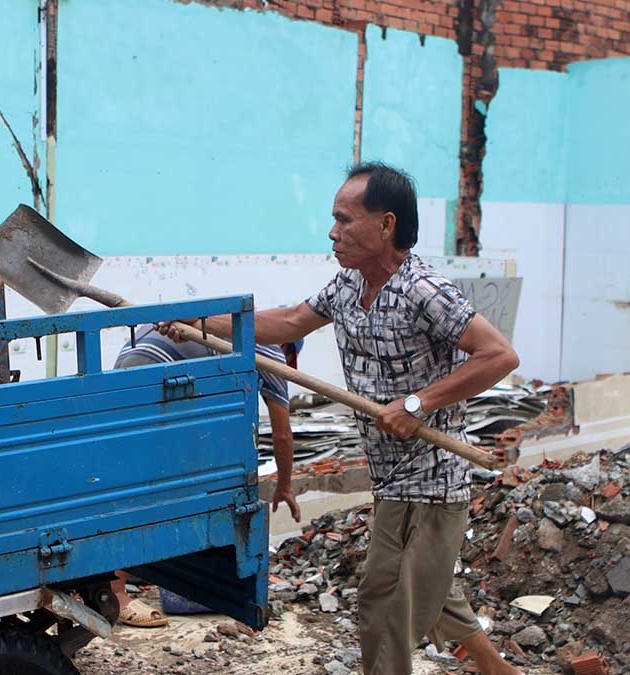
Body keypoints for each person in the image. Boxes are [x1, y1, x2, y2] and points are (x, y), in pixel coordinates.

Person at [159, 162, 522, 675]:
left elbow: (499, 355)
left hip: (436, 483)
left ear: (386, 225)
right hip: (391, 480)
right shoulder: (348, 286)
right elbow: (287, 322)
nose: (334, 232)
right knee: (416, 594)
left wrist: (417, 403)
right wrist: (197, 323)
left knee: (391, 615)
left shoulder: (425, 290)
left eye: (345, 219)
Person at [108, 324, 304, 628]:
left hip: (129, 361)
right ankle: (117, 594)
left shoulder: (236, 332)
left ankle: (128, 576)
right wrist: (286, 486)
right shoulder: (269, 348)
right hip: (158, 369)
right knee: (151, 487)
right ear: (289, 349)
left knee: (131, 478)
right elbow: (282, 436)